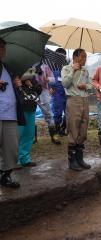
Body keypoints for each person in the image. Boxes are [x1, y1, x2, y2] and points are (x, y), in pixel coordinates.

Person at [61, 48, 92, 171]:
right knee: (73, 128)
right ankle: (72, 161)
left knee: (83, 128)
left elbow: (90, 85)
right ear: (75, 57)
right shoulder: (66, 69)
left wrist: (86, 86)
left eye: (86, 57)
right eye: (83, 57)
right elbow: (65, 84)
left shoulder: (85, 71)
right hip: (73, 100)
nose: (84, 59)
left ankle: (80, 159)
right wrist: (73, 70)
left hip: (85, 100)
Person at [0, 37, 24, 188]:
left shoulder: (7, 67)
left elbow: (13, 88)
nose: (2, 49)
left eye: (3, 47)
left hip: (10, 114)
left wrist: (16, 84)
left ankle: (5, 175)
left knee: (12, 148)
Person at [16, 69, 42, 167]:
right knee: (18, 134)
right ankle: (16, 160)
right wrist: (19, 82)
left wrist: (31, 84)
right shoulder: (15, 74)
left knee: (29, 134)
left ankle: (25, 159)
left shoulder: (32, 76)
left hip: (31, 108)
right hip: (19, 109)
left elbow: (39, 89)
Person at [34, 62, 61, 145]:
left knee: (48, 114)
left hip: (43, 92)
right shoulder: (29, 65)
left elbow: (53, 79)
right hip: (31, 91)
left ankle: (53, 136)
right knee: (31, 115)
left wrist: (48, 79)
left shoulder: (45, 66)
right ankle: (33, 137)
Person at [49, 47, 68, 137]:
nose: (62, 58)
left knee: (68, 113)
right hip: (56, 93)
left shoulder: (67, 66)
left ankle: (63, 128)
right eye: (60, 56)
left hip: (67, 93)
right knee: (57, 113)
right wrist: (49, 87)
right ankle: (56, 130)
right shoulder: (50, 66)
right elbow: (47, 77)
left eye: (64, 56)